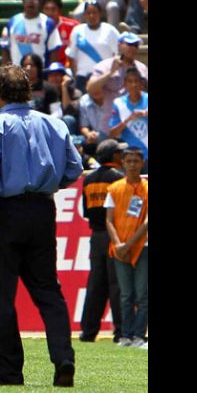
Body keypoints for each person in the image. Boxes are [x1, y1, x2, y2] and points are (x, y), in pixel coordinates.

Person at [0, 64, 82, 387]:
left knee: (0, 294)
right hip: (43, 209)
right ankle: (63, 358)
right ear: (29, 92)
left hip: (5, 212)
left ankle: (9, 369)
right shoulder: (54, 124)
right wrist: (49, 183)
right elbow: (74, 168)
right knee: (48, 290)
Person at [79, 139, 126, 343]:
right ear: (114, 156)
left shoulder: (88, 179)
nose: (123, 157)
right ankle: (121, 331)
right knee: (117, 284)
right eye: (120, 153)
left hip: (96, 236)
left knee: (95, 285)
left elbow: (86, 212)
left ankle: (88, 332)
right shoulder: (118, 179)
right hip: (114, 235)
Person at [104, 146, 148, 348]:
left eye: (136, 161)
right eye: (128, 161)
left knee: (142, 293)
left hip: (143, 246)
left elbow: (147, 221)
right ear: (122, 163)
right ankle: (125, 335)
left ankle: (139, 336)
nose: (132, 165)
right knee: (125, 294)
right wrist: (118, 244)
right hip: (119, 248)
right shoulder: (114, 188)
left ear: (142, 163)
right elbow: (109, 220)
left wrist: (129, 243)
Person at [65, 0, 120, 92]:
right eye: (88, 13)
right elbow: (71, 56)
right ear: (84, 15)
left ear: (100, 14)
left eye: (94, 12)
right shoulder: (77, 31)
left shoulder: (110, 30)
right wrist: (76, 75)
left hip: (104, 77)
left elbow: (118, 55)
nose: (91, 16)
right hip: (82, 78)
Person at [0, 0, 61, 66]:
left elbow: (53, 51)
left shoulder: (48, 23)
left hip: (40, 73)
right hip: (17, 73)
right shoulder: (13, 22)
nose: (31, 1)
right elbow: (5, 50)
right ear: (23, 1)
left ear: (40, 2)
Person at [108, 67, 148, 169]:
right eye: (130, 82)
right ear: (125, 84)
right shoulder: (118, 103)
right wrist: (127, 120)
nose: (134, 85)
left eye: (136, 81)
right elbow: (113, 133)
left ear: (141, 83)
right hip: (130, 157)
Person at [41, 0, 79, 69]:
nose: (50, 13)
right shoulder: (37, 29)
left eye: (53, 9)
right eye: (46, 9)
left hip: (69, 68)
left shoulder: (74, 26)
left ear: (60, 10)